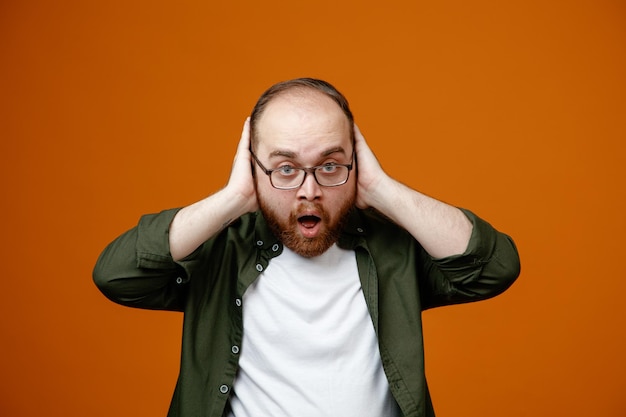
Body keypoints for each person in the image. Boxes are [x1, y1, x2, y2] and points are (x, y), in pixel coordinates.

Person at [93, 78, 520, 417]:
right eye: (285, 168)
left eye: (330, 165)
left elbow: (494, 267)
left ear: (356, 162)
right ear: (252, 167)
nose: (308, 190)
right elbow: (117, 276)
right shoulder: (218, 251)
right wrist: (235, 197)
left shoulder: (394, 251)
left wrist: (380, 188)